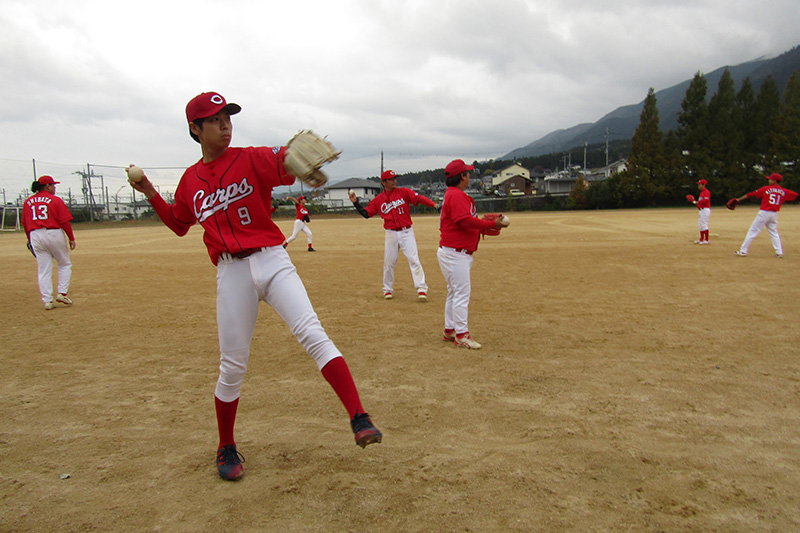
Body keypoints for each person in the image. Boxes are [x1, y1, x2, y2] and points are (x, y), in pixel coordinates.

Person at [128, 91, 381, 481]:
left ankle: (359, 416)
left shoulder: (250, 158)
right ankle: (225, 445)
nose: (225, 123)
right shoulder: (190, 181)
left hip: (273, 260)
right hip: (231, 272)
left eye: (227, 116)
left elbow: (282, 160)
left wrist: (293, 162)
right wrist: (148, 192)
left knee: (313, 333)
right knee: (232, 366)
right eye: (214, 119)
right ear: (195, 129)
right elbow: (179, 224)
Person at [437, 159, 506, 349]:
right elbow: (465, 221)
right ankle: (462, 335)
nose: (469, 176)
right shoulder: (456, 195)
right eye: (467, 173)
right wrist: (491, 224)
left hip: (453, 252)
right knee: (461, 294)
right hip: (455, 253)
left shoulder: (453, 194)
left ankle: (450, 330)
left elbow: (464, 222)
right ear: (462, 177)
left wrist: (482, 225)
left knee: (454, 292)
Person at [349, 170, 437, 301]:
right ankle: (387, 290)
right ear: (384, 183)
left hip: (407, 231)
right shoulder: (379, 200)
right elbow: (367, 214)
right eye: (391, 179)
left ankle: (421, 289)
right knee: (389, 262)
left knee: (414, 259)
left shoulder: (404, 192)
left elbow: (419, 198)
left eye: (395, 178)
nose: (394, 181)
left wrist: (434, 205)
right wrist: (356, 203)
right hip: (391, 233)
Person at [22, 175, 76, 310]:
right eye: (53, 185)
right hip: (53, 232)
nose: (55, 187)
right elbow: (64, 221)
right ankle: (62, 293)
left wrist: (30, 239)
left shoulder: (28, 202)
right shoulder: (55, 200)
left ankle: (47, 300)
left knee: (43, 270)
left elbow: (25, 224)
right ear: (47, 186)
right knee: (64, 264)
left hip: (35, 234)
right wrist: (71, 238)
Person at [732, 173, 799, 258]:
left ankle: (743, 251)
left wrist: (739, 199)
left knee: (752, 231)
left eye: (770, 179)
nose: (769, 180)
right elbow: (795, 195)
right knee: (774, 232)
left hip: (764, 213)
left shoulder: (766, 188)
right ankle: (779, 252)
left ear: (775, 181)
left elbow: (752, 194)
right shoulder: (784, 191)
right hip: (774, 214)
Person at [690, 179, 711, 244]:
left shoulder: (706, 192)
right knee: (700, 225)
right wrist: (696, 203)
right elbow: (701, 202)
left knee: (704, 224)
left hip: (705, 209)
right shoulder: (702, 192)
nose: (698, 186)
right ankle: (701, 239)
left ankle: (706, 240)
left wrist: (697, 202)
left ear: (704, 185)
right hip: (701, 210)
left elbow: (705, 201)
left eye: (700, 184)